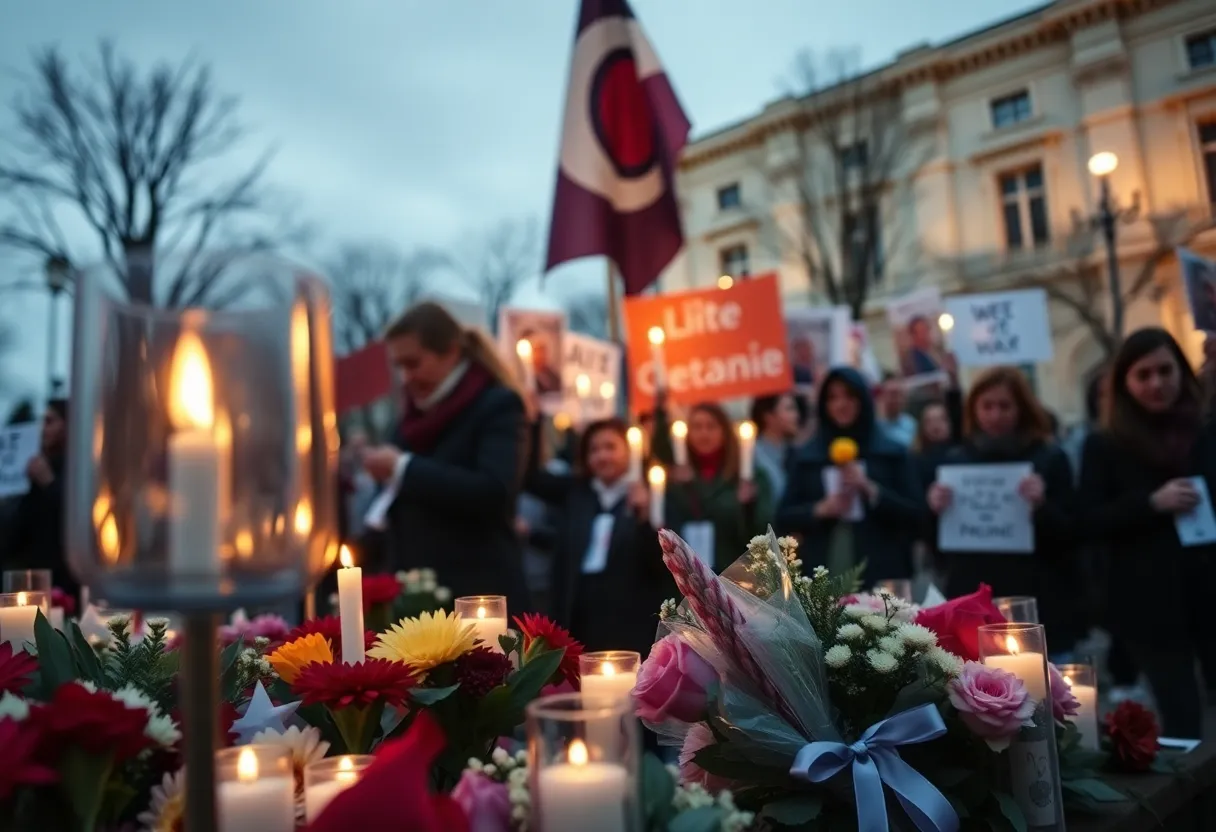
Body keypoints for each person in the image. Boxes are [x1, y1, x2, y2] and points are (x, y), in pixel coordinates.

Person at [1080, 328, 1216, 738]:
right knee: (1181, 717)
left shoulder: (1205, 432)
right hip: (1150, 603)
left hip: (1209, 590)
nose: (1157, 383)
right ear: (1124, 382)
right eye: (1144, 375)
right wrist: (1150, 504)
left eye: (1165, 370)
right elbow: (1086, 519)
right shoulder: (1105, 445)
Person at [359, 301, 530, 602]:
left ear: (451, 352)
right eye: (397, 366)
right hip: (417, 598)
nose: (404, 377)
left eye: (412, 363)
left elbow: (494, 491)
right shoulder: (411, 419)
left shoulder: (497, 405)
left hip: (477, 597)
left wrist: (403, 469)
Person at [926, 367, 1082, 659]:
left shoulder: (1049, 458)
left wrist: (1042, 506)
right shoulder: (955, 462)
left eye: (1004, 406)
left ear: (1021, 408)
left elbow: (1073, 532)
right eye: (987, 406)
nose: (995, 415)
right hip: (972, 599)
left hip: (1038, 600)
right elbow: (936, 546)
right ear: (974, 409)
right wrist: (935, 509)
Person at [525, 419, 670, 656]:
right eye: (594, 449)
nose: (602, 456)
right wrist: (534, 419)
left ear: (630, 451)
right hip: (581, 622)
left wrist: (647, 519)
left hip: (631, 625)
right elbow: (530, 479)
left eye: (610, 447)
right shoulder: (577, 494)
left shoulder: (652, 493)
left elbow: (660, 564)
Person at [777, 368, 921, 585]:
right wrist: (820, 509)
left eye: (849, 396)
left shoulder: (892, 453)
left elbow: (917, 516)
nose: (841, 404)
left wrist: (871, 491)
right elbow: (783, 516)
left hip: (881, 573)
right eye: (833, 397)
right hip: (821, 570)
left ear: (863, 400)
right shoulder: (807, 455)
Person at [655, 402, 774, 571]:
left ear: (724, 432)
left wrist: (748, 506)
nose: (704, 433)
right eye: (697, 427)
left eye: (711, 426)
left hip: (735, 575)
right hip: (690, 576)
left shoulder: (750, 478)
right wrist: (680, 488)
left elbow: (763, 533)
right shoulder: (673, 480)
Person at [3, 400, 74, 601]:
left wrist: (50, 483)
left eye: (50, 421)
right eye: (42, 422)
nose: (43, 429)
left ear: (68, 425)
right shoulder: (29, 474)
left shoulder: (79, 471)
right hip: (30, 583)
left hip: (67, 587)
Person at [749, 393, 800, 502]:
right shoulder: (751, 457)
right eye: (789, 409)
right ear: (769, 417)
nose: (796, 415)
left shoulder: (795, 453)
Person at [876, 373, 917, 446]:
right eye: (892, 394)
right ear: (882, 396)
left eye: (899, 394)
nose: (896, 399)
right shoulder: (874, 426)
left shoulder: (912, 425)